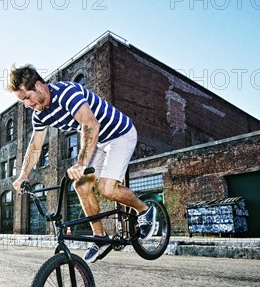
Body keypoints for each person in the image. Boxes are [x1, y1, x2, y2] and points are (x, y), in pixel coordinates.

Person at [9, 64, 156, 263]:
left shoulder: (67, 93)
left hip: (120, 134)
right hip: (99, 141)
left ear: (39, 86)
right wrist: (22, 176)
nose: (26, 104)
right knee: (81, 185)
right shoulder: (40, 114)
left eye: (27, 97)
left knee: (107, 188)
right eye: (22, 101)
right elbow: (35, 146)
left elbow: (90, 124)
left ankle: (145, 210)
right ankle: (100, 237)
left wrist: (80, 163)